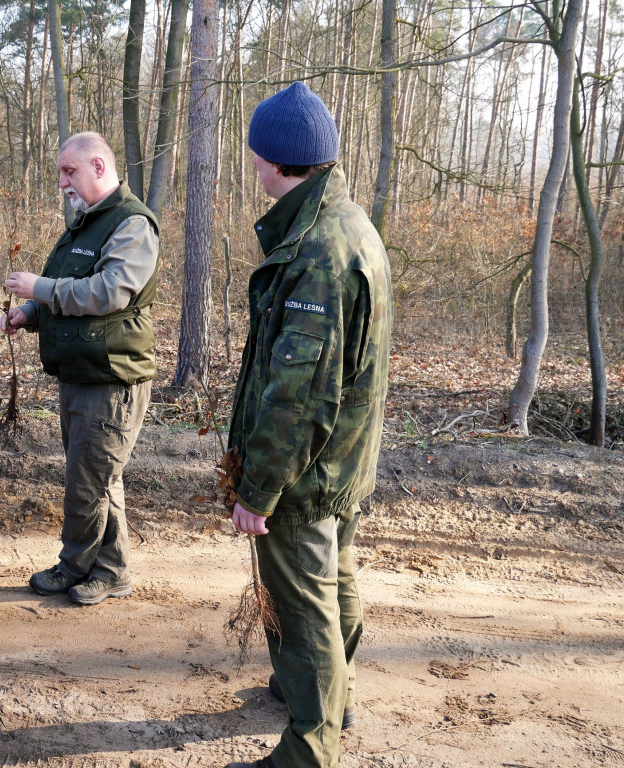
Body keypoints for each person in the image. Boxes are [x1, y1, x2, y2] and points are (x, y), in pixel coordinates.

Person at [224, 82, 393, 768]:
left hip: (308, 469)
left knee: (303, 609)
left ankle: (308, 748)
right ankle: (333, 696)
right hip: (344, 460)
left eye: (257, 156)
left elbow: (299, 397)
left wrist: (258, 489)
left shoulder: (319, 252)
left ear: (279, 162)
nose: (254, 167)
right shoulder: (346, 220)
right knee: (335, 578)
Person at [0, 131, 159, 606]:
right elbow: (70, 291)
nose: (63, 182)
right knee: (96, 478)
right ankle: (105, 568)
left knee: (89, 481)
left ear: (98, 167)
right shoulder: (84, 224)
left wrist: (39, 289)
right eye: (60, 173)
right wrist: (29, 315)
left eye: (69, 172)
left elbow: (111, 292)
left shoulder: (131, 224)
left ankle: (81, 565)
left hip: (112, 378)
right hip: (81, 372)